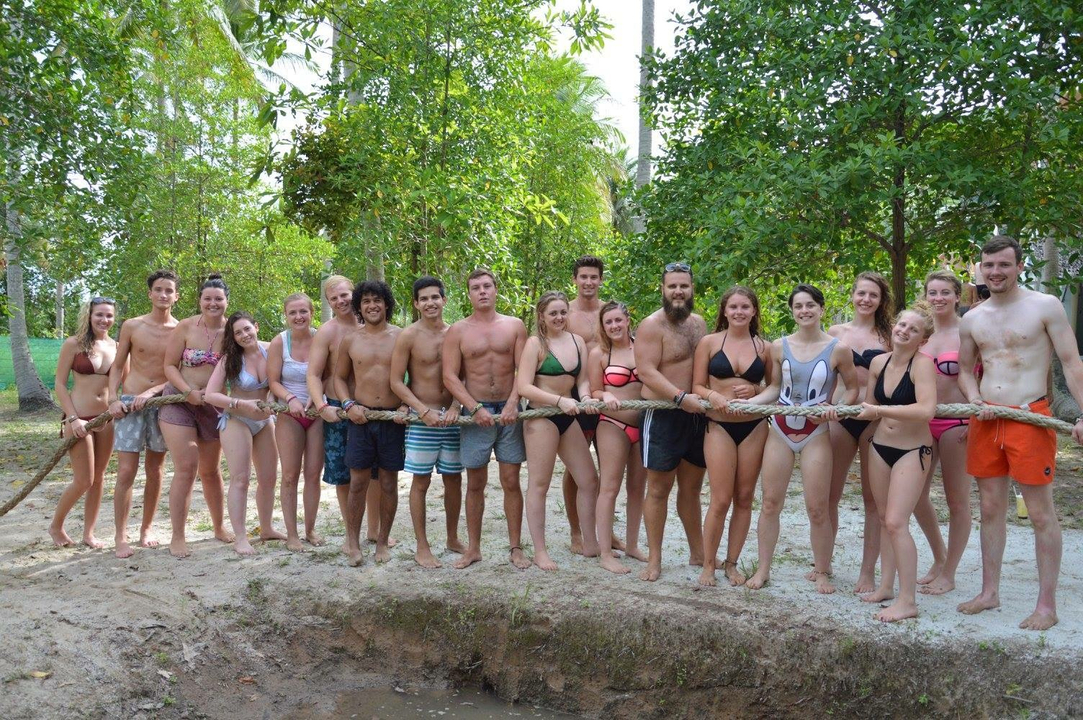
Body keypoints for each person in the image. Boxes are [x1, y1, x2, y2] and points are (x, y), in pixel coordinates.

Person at [957, 235, 1083, 631]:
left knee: (1041, 513)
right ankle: (989, 592)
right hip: (987, 420)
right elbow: (964, 369)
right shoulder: (973, 318)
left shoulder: (1044, 306)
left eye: (1004, 265)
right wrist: (974, 396)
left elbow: (1071, 362)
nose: (995, 272)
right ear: (980, 268)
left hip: (1030, 417)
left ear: (1018, 266)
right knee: (991, 508)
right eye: (989, 265)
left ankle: (1046, 605)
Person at [744, 284, 858, 594]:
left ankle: (821, 571)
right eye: (798, 306)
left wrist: (837, 409)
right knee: (769, 503)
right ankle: (763, 569)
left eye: (810, 305)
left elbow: (853, 389)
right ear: (792, 311)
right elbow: (773, 388)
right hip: (779, 430)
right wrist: (747, 405)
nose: (804, 310)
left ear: (821, 308)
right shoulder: (779, 347)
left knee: (817, 507)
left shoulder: (838, 349)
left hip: (817, 433)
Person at [442, 268, 531, 570]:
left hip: (509, 413)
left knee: (510, 481)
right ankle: (474, 549)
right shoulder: (458, 330)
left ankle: (516, 548)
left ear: (496, 290)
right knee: (475, 483)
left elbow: (523, 370)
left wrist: (513, 402)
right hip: (474, 414)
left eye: (487, 286)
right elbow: (450, 376)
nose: (482, 291)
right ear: (468, 294)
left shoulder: (515, 326)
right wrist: (473, 406)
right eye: (475, 287)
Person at [853, 303, 937, 621]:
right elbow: (867, 405)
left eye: (913, 329)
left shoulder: (922, 365)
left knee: (897, 523)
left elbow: (926, 409)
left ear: (922, 339)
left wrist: (879, 412)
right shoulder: (878, 362)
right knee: (885, 519)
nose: (904, 331)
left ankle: (908, 600)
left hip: (912, 451)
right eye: (902, 325)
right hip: (880, 447)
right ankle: (886, 586)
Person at [634, 262, 709, 582]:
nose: (678, 291)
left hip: (696, 416)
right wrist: (680, 397)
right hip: (663, 413)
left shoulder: (700, 324)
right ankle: (654, 559)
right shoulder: (651, 326)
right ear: (662, 289)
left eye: (684, 286)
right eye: (672, 286)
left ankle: (699, 553)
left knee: (691, 489)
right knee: (659, 489)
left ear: (693, 289)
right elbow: (646, 371)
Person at [693, 287, 772, 587]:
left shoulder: (765, 348)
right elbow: (697, 385)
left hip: (754, 426)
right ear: (724, 311)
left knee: (744, 497)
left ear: (754, 311)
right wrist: (713, 395)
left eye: (745, 307)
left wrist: (756, 390)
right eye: (733, 307)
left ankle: (732, 563)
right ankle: (708, 565)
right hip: (719, 425)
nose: (739, 312)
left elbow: (774, 389)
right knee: (720, 498)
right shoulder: (709, 343)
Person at [518, 291, 601, 570]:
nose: (559, 318)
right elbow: (524, 387)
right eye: (553, 313)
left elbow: (584, 381)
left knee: (589, 479)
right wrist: (558, 401)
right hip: (542, 416)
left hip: (569, 415)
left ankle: (590, 542)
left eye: (563, 312)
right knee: (539, 484)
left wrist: (586, 398)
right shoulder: (535, 344)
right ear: (541, 316)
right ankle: (540, 551)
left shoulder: (578, 341)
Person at [390, 276, 466, 569]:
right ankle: (422, 546)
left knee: (454, 480)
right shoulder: (408, 335)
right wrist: (421, 410)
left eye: (435, 297)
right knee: (420, 481)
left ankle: (452, 537)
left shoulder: (455, 334)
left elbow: (465, 375)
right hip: (423, 420)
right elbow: (396, 381)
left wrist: (457, 406)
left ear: (444, 300)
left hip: (452, 419)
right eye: (424, 298)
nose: (430, 303)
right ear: (416, 303)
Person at [307, 275, 386, 546]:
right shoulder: (327, 332)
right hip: (338, 410)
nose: (341, 301)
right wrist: (321, 406)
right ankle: (350, 533)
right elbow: (314, 375)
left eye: (344, 295)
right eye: (334, 298)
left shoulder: (372, 323)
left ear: (355, 294)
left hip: (372, 408)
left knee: (375, 472)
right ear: (328, 303)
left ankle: (374, 530)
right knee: (343, 474)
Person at [826, 272, 891, 592]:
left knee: (873, 500)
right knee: (829, 495)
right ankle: (824, 564)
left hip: (875, 420)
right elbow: (821, 376)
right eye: (861, 293)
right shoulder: (835, 333)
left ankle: (867, 572)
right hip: (839, 418)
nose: (866, 300)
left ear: (881, 300)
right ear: (852, 295)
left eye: (873, 295)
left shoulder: (890, 336)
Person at [160, 274, 233, 558]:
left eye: (218, 298)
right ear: (200, 301)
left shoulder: (232, 331)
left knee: (211, 471)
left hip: (213, 406)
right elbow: (169, 365)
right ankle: (178, 536)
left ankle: (219, 527)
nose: (213, 303)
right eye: (207, 298)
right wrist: (188, 390)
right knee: (187, 467)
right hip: (179, 400)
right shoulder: (186, 326)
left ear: (226, 301)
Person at [333, 280, 405, 566]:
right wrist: (348, 404)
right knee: (358, 482)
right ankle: (352, 540)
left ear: (386, 303)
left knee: (389, 483)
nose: (372, 305)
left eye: (377, 300)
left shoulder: (402, 337)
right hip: (360, 419)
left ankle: (383, 541)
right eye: (366, 301)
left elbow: (413, 375)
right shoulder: (351, 339)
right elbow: (338, 378)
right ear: (359, 307)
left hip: (392, 419)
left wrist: (406, 405)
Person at [107, 270, 178, 558]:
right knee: (125, 470)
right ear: (149, 293)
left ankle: (146, 528)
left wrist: (152, 393)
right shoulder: (132, 326)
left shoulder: (180, 330)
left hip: (162, 403)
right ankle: (120, 535)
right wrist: (112, 399)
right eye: (158, 289)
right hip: (128, 404)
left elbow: (177, 371)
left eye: (168, 290)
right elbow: (116, 366)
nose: (163, 294)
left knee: (156, 470)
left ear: (176, 296)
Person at [204, 311, 284, 555]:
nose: (244, 335)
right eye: (238, 332)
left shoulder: (272, 350)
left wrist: (272, 397)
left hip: (265, 421)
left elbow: (280, 381)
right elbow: (210, 394)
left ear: (256, 327)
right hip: (237, 420)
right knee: (241, 479)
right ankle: (240, 536)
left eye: (247, 329)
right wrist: (239, 404)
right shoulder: (230, 359)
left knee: (269, 478)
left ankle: (267, 527)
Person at [917, 270, 973, 596]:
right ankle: (939, 558)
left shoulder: (968, 332)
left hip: (959, 423)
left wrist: (978, 415)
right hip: (924, 422)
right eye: (932, 292)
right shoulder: (922, 335)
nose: (938, 298)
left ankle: (949, 572)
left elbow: (983, 374)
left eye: (945, 293)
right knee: (914, 496)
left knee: (957, 501)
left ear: (957, 296)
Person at [49, 297, 118, 548]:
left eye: (109, 315)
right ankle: (56, 526)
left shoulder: (117, 347)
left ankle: (89, 533)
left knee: (99, 478)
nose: (104, 320)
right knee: (84, 479)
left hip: (106, 419)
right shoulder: (74, 344)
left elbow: (118, 386)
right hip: (79, 418)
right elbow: (59, 384)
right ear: (89, 316)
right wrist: (72, 417)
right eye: (99, 314)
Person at [589, 301, 647, 573]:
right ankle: (605, 552)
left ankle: (633, 544)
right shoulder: (600, 354)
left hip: (644, 425)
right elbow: (594, 390)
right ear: (603, 326)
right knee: (609, 486)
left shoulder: (644, 347)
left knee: (637, 488)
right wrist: (606, 394)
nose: (614, 326)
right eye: (608, 322)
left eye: (617, 320)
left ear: (627, 319)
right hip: (612, 424)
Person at [562, 256, 616, 554]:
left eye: (594, 277)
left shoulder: (609, 312)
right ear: (575, 279)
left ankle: (606, 531)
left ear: (601, 279)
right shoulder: (564, 313)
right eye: (583, 277)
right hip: (575, 394)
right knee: (576, 467)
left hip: (608, 392)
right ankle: (576, 532)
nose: (588, 282)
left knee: (609, 468)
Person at [268, 293, 323, 552]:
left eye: (303, 311)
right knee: (290, 475)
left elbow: (331, 374)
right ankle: (292, 533)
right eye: (293, 313)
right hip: (289, 413)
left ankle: (310, 529)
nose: (299, 317)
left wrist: (317, 399)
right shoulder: (280, 342)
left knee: (313, 474)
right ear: (286, 316)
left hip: (317, 413)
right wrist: (290, 398)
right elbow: (273, 381)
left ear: (312, 312)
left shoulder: (321, 338)